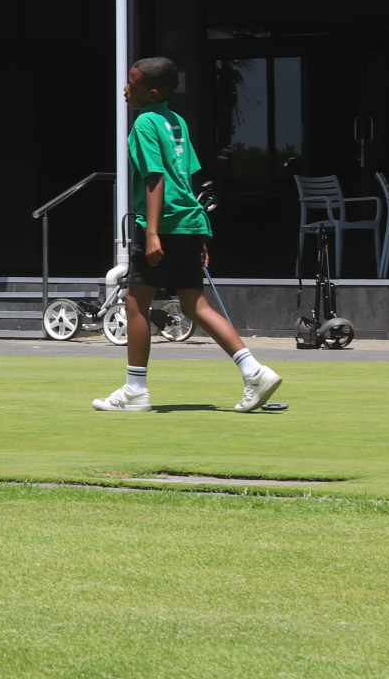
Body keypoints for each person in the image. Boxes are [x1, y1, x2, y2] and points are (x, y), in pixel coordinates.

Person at [95, 57, 283, 415]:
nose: (125, 89)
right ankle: (254, 372)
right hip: (190, 223)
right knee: (195, 305)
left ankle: (135, 390)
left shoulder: (145, 122)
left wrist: (151, 232)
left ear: (152, 93)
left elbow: (155, 178)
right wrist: (199, 236)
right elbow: (185, 179)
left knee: (136, 304)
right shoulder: (176, 121)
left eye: (132, 83)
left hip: (164, 224)